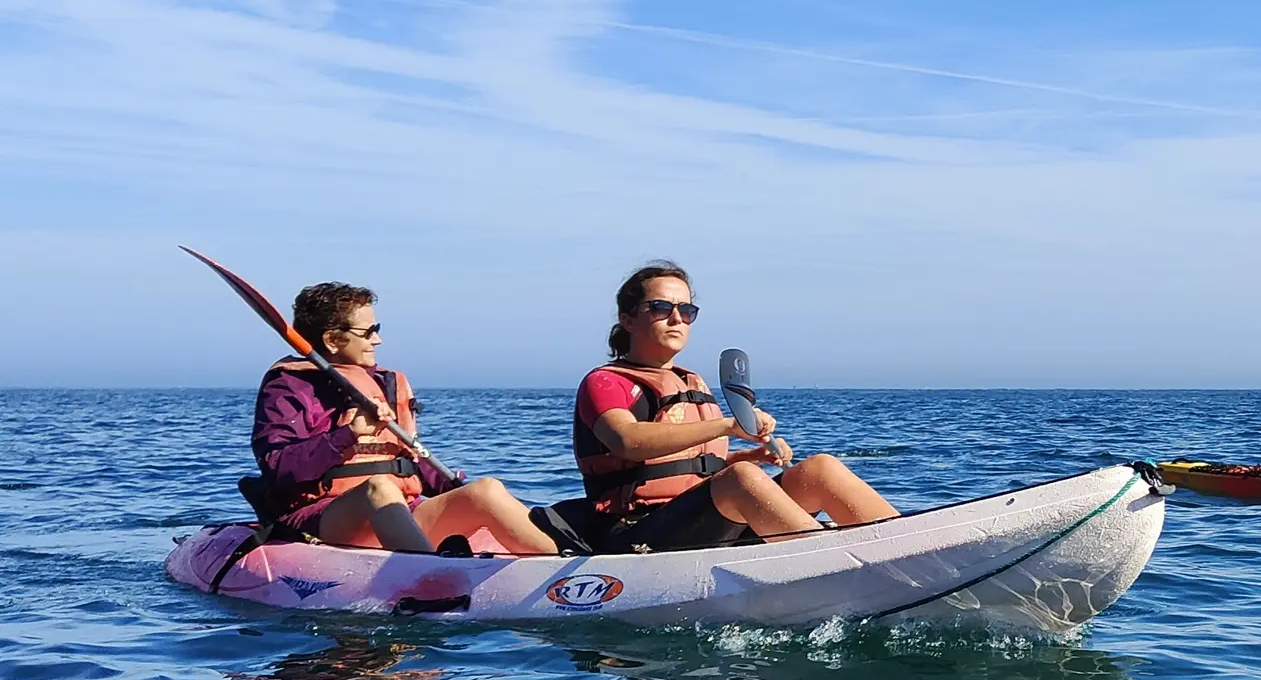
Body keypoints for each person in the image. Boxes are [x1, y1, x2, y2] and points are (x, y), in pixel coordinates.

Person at [573, 261, 898, 552]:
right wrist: (728, 426)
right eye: (660, 307)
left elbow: (686, 465)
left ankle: (902, 550)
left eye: (686, 311)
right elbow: (626, 441)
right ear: (627, 320)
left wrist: (751, 456)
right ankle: (832, 567)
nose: (677, 318)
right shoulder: (604, 383)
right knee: (739, 478)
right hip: (638, 533)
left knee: (820, 469)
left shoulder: (690, 381)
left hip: (708, 523)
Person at [252, 282, 558, 555]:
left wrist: (456, 489)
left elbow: (407, 458)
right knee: (379, 488)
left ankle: (560, 566)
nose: (378, 341)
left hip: (401, 510)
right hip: (324, 517)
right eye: (368, 332)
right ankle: (430, 577)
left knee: (486, 490)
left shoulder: (384, 383)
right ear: (332, 339)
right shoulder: (289, 387)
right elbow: (279, 466)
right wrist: (349, 433)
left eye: (377, 329)